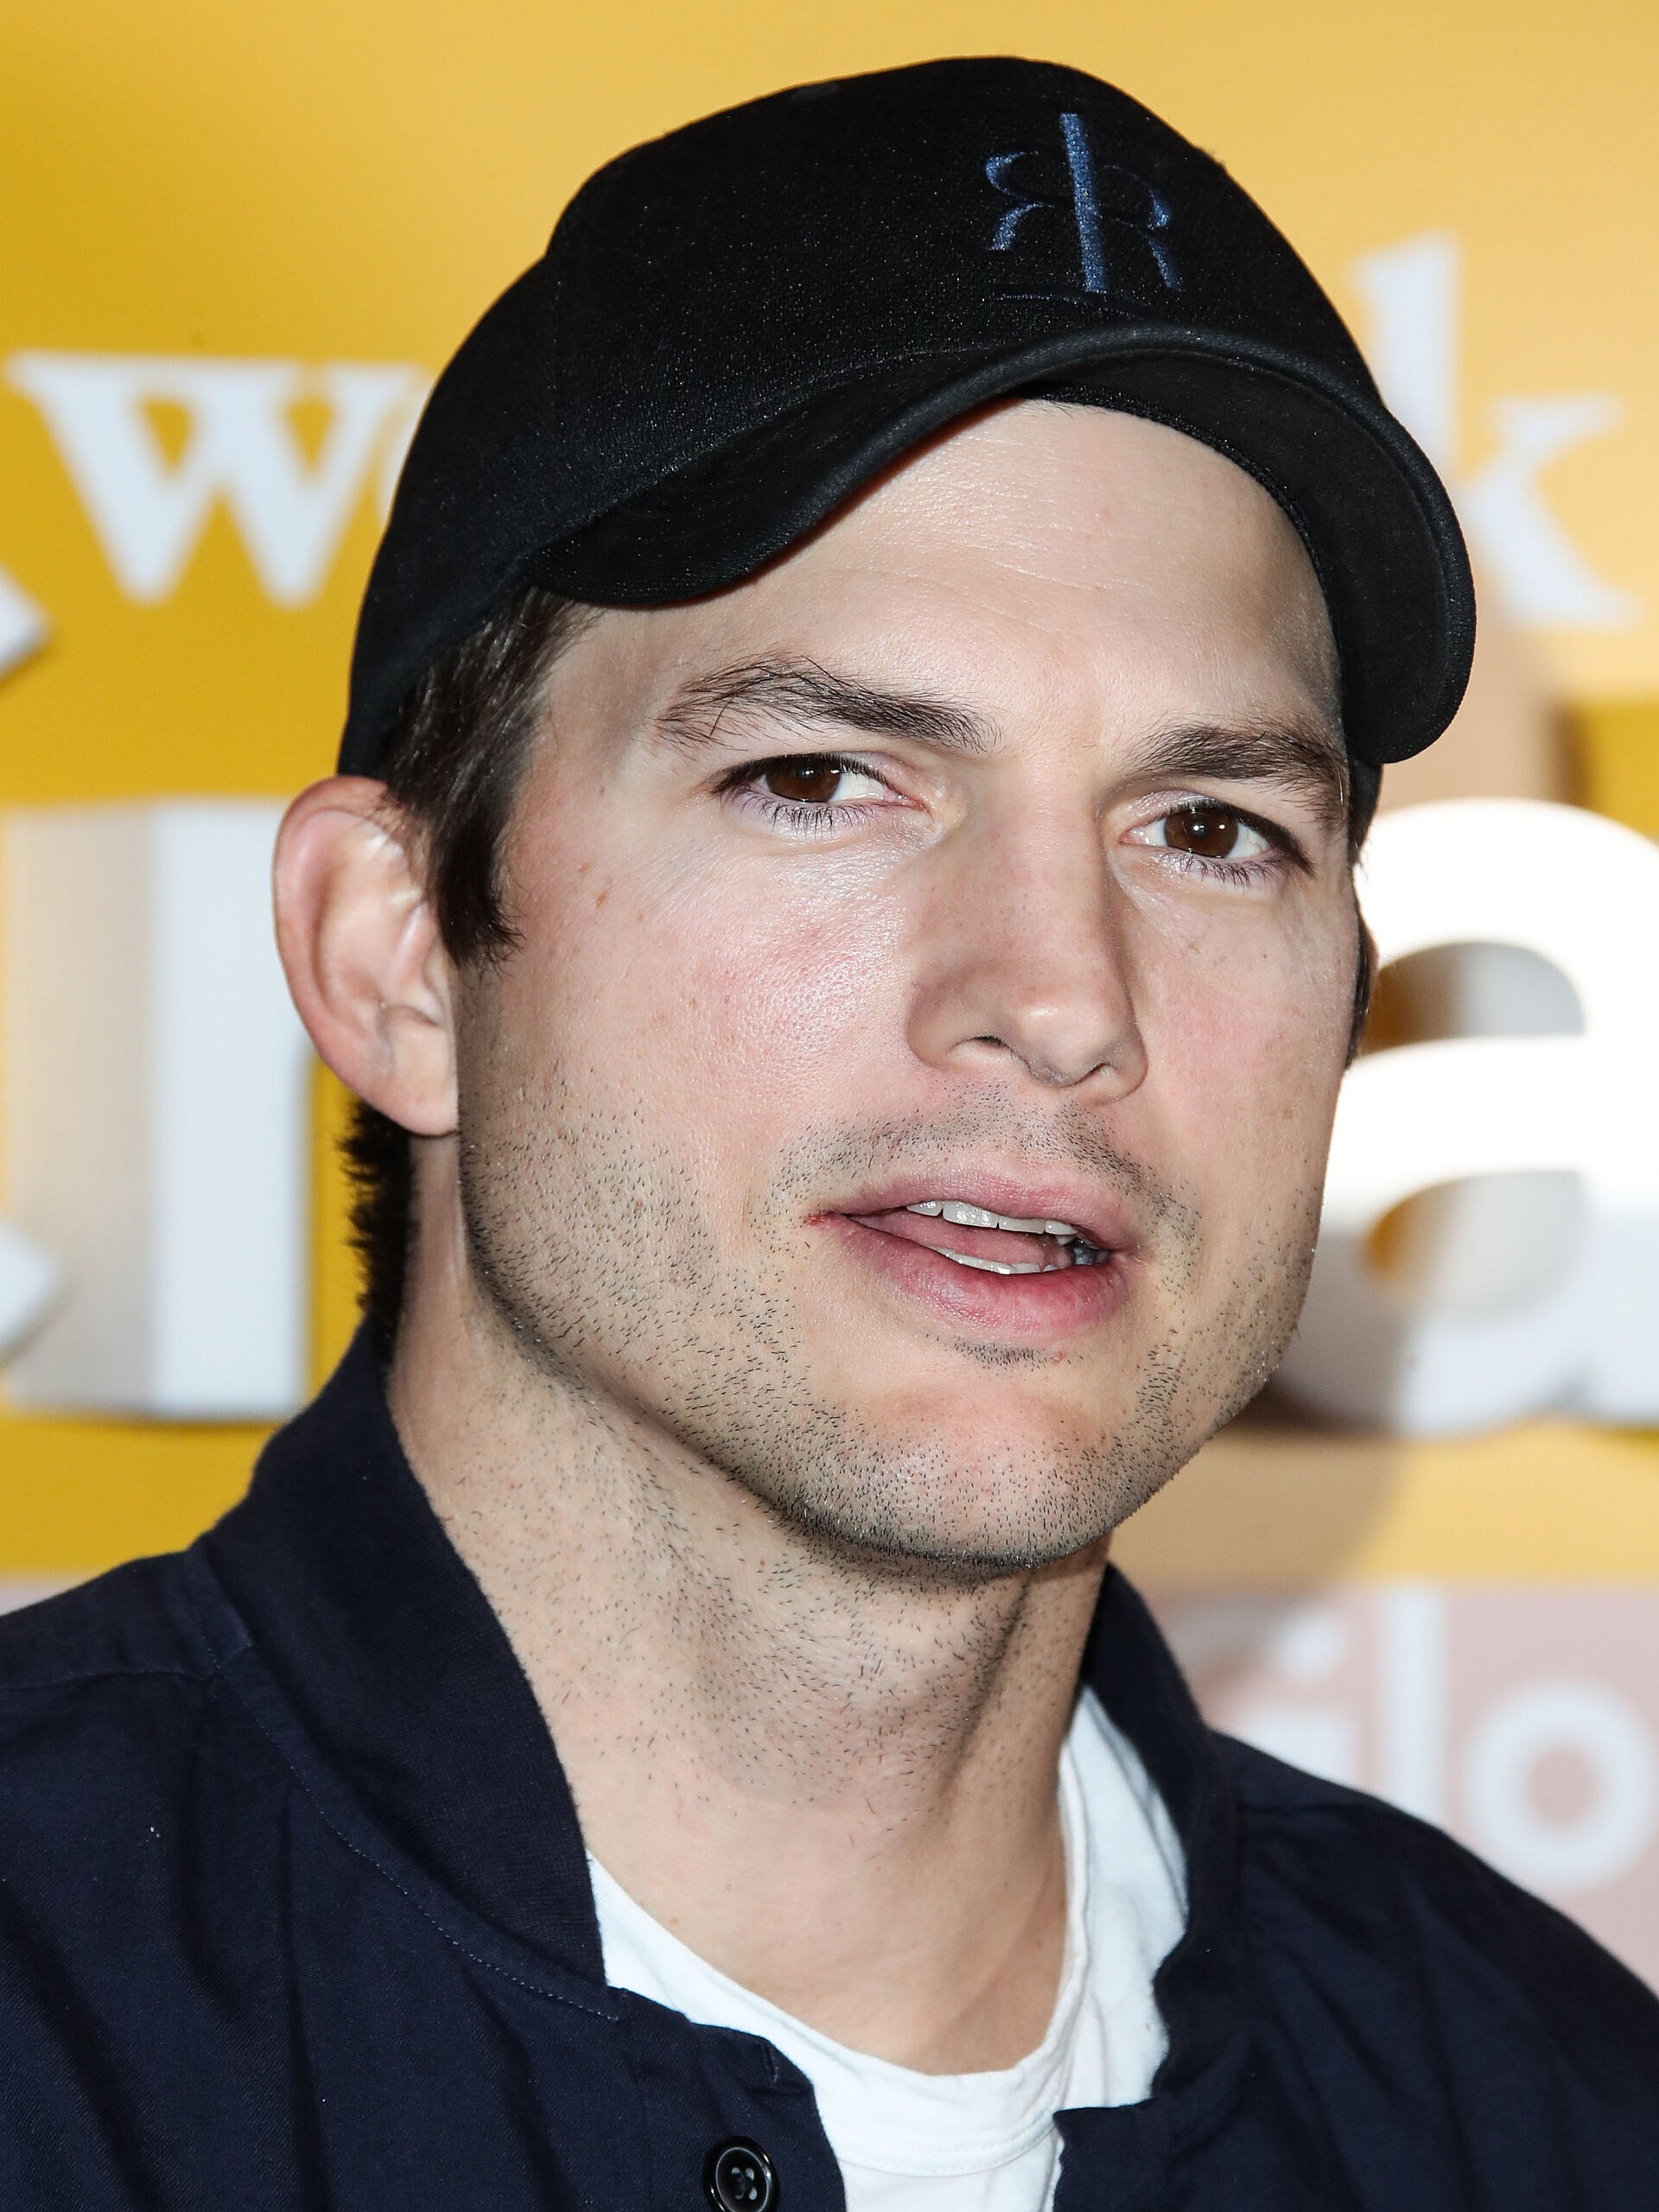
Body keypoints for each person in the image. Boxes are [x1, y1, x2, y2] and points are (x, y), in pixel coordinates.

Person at [2, 55, 1655, 2212]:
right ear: (399, 950)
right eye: (821, 779)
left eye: (1211, 826)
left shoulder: (1550, 2109)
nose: (1062, 994)